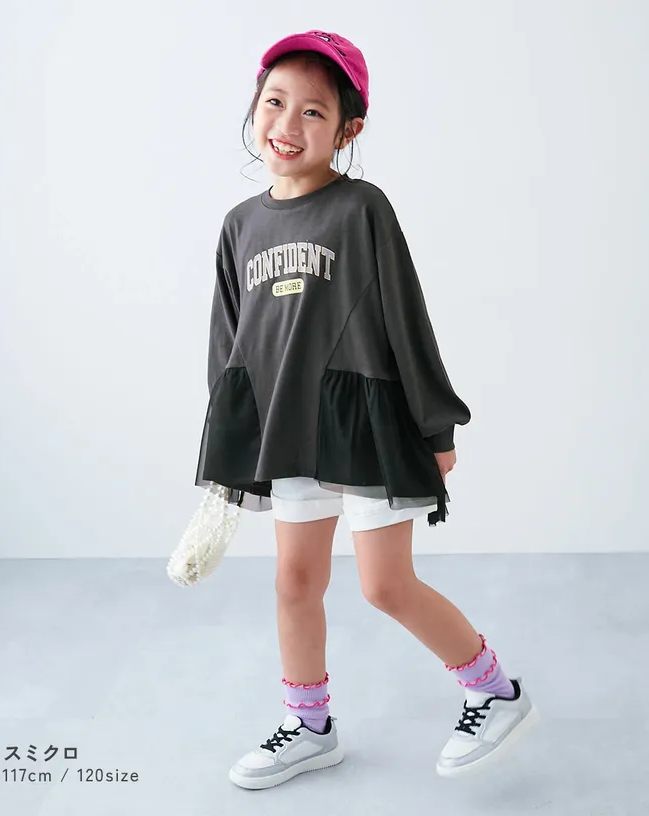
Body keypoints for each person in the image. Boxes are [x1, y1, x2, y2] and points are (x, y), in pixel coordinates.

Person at [194, 30, 539, 790]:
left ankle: (494, 691)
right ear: (254, 107)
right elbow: (230, 343)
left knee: (385, 585)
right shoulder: (240, 224)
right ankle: (310, 726)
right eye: (275, 101)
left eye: (314, 111)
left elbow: (404, 316)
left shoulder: (361, 208)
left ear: (348, 131)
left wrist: (435, 424)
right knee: (294, 582)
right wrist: (227, 446)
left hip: (365, 424)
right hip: (287, 428)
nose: (288, 123)